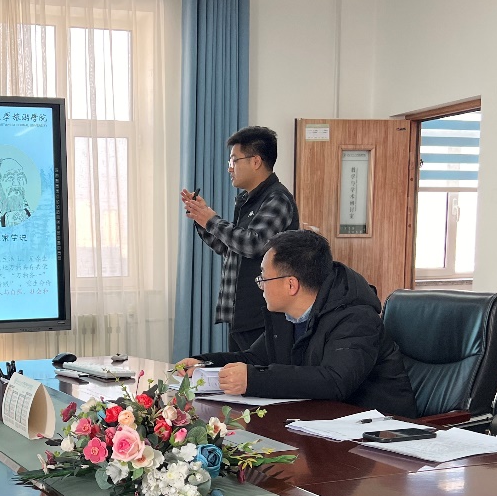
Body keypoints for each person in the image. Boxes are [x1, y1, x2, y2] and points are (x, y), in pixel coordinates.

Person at [175, 230, 417, 416]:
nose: (260, 286)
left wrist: (253, 380)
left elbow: (334, 381)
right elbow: (256, 358)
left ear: (291, 284)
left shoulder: (356, 317)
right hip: (321, 422)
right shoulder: (286, 314)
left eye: (264, 278)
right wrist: (205, 363)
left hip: (382, 433)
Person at [180, 126, 298, 351]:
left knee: (255, 372)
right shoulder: (247, 201)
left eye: (234, 160)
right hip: (241, 316)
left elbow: (253, 244)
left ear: (256, 161)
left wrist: (211, 220)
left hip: (263, 315)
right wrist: (201, 218)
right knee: (235, 372)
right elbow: (230, 248)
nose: (230, 168)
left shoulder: (277, 199)